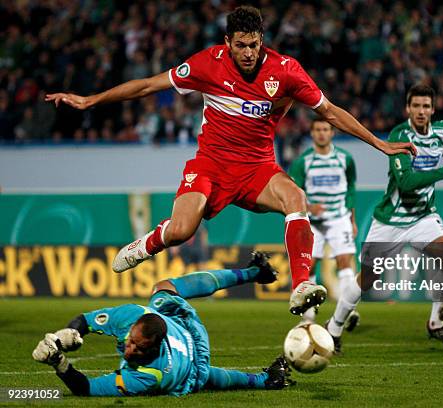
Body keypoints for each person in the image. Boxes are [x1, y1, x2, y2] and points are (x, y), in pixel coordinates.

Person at [45, 6, 416, 316]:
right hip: (211, 164)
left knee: (296, 199)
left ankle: (302, 284)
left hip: (258, 168)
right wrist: (91, 100)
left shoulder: (286, 70)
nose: (249, 53)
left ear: (262, 41)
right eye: (241, 46)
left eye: (255, 45)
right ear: (228, 43)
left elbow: (330, 111)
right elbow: (147, 86)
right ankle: (149, 242)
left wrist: (378, 143)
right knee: (181, 231)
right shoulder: (208, 64)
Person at [324, 84, 443, 352]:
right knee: (366, 279)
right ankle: (333, 327)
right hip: (390, 221)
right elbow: (405, 182)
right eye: (416, 106)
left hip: (423, 218)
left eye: (426, 106)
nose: (421, 111)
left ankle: (436, 323)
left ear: (433, 109)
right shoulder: (400, 135)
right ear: (408, 109)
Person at [32, 252, 293, 396]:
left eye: (139, 349)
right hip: (177, 325)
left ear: (154, 350)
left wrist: (60, 362)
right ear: (134, 325)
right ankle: (253, 273)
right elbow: (84, 321)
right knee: (163, 288)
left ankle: (262, 380)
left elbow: (85, 388)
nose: (130, 349)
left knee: (207, 378)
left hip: (191, 361)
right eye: (131, 341)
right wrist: (64, 335)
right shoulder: (131, 315)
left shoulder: (148, 376)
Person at [288, 119, 360, 337]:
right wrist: (309, 207)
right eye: (318, 129)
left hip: (339, 218)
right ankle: (308, 317)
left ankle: (349, 311)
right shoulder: (303, 162)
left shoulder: (345, 159)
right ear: (312, 133)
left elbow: (350, 189)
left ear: (332, 132)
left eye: (326, 129)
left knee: (345, 261)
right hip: (313, 222)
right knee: (308, 266)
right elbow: (293, 192)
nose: (322, 133)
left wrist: (352, 219)